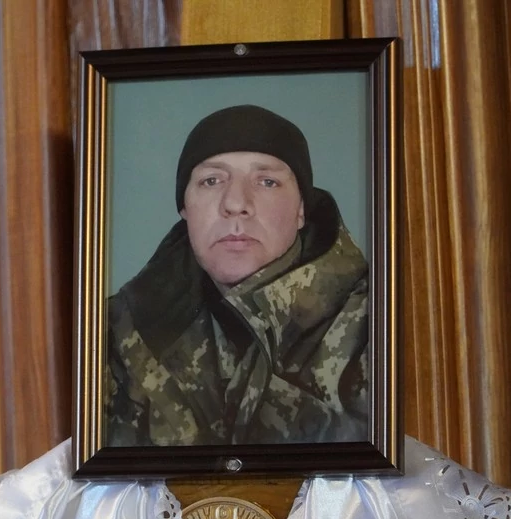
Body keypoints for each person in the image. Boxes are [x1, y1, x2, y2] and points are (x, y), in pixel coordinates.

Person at [105, 104, 369, 447]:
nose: (235, 203)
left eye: (267, 182)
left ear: (301, 209)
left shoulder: (377, 324)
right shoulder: (117, 333)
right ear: (184, 207)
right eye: (211, 180)